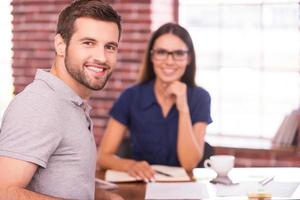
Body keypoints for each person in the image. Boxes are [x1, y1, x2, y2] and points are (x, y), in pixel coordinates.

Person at [0, 0, 123, 199]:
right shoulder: (39, 105)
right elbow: (4, 192)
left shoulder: (69, 102)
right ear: (60, 45)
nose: (101, 57)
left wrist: (101, 196)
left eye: (110, 47)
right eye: (88, 43)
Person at [98, 23, 212, 182]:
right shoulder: (131, 96)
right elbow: (103, 157)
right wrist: (129, 165)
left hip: (183, 189)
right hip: (142, 185)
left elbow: (189, 164)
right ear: (151, 57)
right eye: (161, 52)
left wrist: (183, 107)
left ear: (189, 58)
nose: (169, 61)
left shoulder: (200, 97)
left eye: (178, 53)